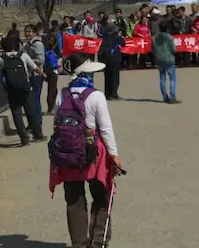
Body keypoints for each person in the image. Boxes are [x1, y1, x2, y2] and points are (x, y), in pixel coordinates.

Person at [49, 53, 124, 248]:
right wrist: (114, 155)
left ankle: (79, 244)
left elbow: (56, 123)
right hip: (93, 150)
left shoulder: (62, 93)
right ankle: (98, 241)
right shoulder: (96, 95)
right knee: (101, 195)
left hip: (68, 150)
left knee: (74, 198)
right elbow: (105, 128)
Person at [0, 47, 47, 146]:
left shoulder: (3, 58)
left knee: (17, 115)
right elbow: (34, 67)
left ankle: (24, 139)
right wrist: (42, 73)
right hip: (25, 89)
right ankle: (38, 135)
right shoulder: (23, 55)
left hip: (12, 90)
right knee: (31, 112)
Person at [22, 24, 46, 127]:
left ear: (34, 33)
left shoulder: (37, 44)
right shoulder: (28, 44)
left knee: (35, 101)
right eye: (26, 31)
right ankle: (32, 124)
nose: (27, 33)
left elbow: (41, 60)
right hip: (30, 75)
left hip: (36, 75)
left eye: (29, 31)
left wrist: (28, 61)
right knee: (30, 101)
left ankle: (37, 124)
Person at [152, 21, 181, 104]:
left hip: (159, 59)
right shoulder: (169, 37)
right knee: (172, 79)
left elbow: (153, 49)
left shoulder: (154, 37)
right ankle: (172, 97)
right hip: (169, 59)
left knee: (162, 78)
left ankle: (165, 96)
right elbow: (173, 49)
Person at [99, 23, 123, 100]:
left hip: (106, 60)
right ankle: (114, 94)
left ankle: (107, 94)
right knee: (115, 78)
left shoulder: (104, 38)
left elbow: (101, 50)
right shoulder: (117, 38)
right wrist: (120, 36)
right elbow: (123, 43)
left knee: (107, 77)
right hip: (115, 59)